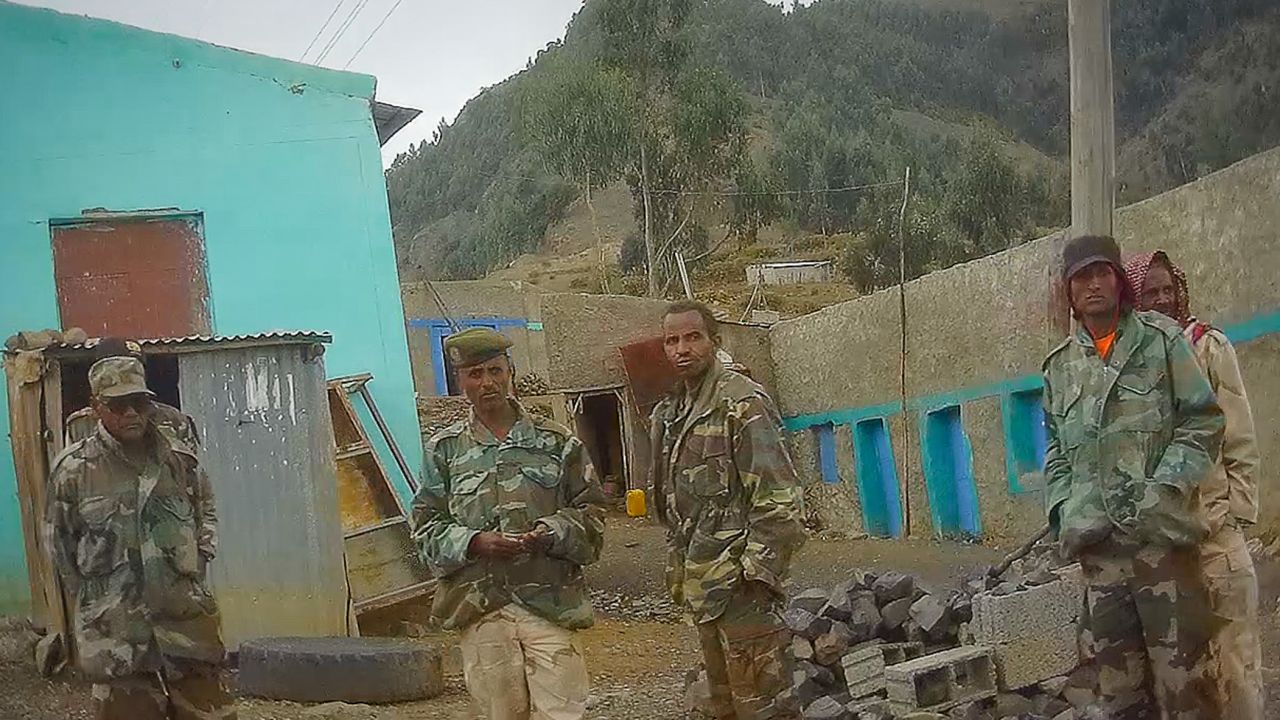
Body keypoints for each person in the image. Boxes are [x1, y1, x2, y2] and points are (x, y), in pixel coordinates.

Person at [1042, 235, 1224, 719]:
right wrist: (1064, 508)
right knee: (1118, 698)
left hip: (1163, 548)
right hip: (1101, 561)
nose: (1093, 284)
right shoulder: (1059, 368)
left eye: (1103, 273)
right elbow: (1055, 449)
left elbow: (1203, 420)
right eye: (1082, 277)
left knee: (1188, 692)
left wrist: (1164, 488)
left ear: (1120, 282)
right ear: (1069, 290)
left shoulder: (1161, 342)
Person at [411, 327, 606, 720]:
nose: (488, 383)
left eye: (496, 371)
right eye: (476, 374)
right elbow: (424, 527)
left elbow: (593, 517)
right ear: (460, 381)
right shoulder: (444, 451)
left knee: (562, 713)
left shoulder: (557, 442)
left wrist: (552, 531)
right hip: (482, 609)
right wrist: (473, 542)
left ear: (511, 372)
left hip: (550, 605)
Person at [46, 356, 231, 720]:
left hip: (186, 625)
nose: (131, 413)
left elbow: (205, 510)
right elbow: (60, 546)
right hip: (117, 635)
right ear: (96, 406)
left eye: (139, 402)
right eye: (117, 405)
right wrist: (94, 601)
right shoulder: (73, 470)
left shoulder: (178, 459)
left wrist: (199, 560)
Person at [649, 300, 805, 720]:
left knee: (765, 709)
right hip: (701, 590)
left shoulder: (741, 402)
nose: (682, 348)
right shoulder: (670, 414)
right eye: (672, 340)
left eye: (693, 337)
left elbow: (780, 501)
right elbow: (671, 506)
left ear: (714, 342)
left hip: (742, 596)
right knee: (721, 708)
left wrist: (755, 576)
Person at [1126, 250, 1263, 718]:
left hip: (1215, 537)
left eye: (1168, 289)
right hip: (1163, 547)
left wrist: (1234, 513)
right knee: (1182, 675)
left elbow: (1239, 434)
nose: (1163, 300)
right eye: (1150, 293)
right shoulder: (1128, 364)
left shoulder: (1207, 347)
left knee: (1236, 662)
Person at [64, 337, 200, 453]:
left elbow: (191, 474)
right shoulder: (81, 424)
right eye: (118, 368)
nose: (128, 375)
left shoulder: (173, 420)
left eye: (135, 368)